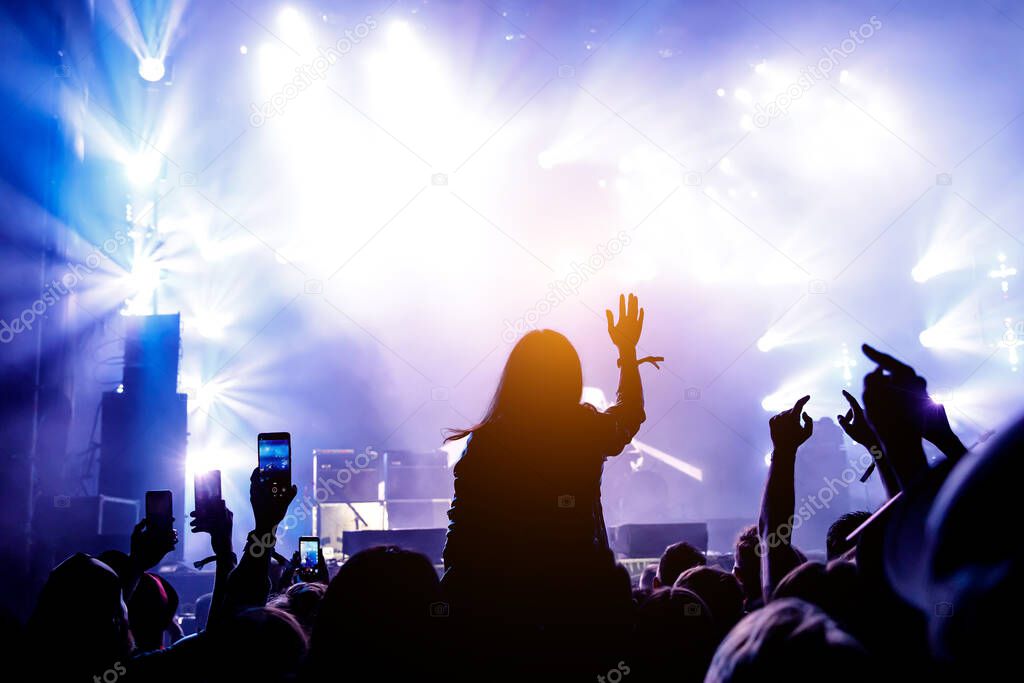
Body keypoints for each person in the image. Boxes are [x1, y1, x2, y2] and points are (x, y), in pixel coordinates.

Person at [441, 293, 660, 622]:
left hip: (501, 608)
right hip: (577, 603)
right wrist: (627, 353)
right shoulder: (582, 429)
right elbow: (629, 414)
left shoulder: (485, 442)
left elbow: (462, 532)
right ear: (570, 378)